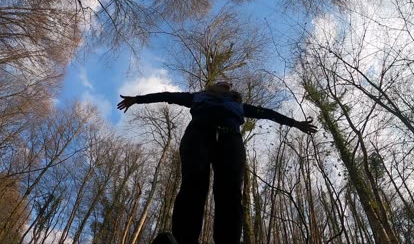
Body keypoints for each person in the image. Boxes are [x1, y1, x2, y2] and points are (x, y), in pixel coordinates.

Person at [117, 81, 317, 244]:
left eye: (229, 86)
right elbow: (168, 96)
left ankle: (228, 240)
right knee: (193, 185)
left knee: (229, 192)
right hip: (199, 135)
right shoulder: (197, 96)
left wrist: (295, 123)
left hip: (230, 140)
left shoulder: (239, 105)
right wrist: (137, 99)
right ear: (211, 87)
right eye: (222, 84)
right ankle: (184, 239)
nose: (226, 85)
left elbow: (267, 113)